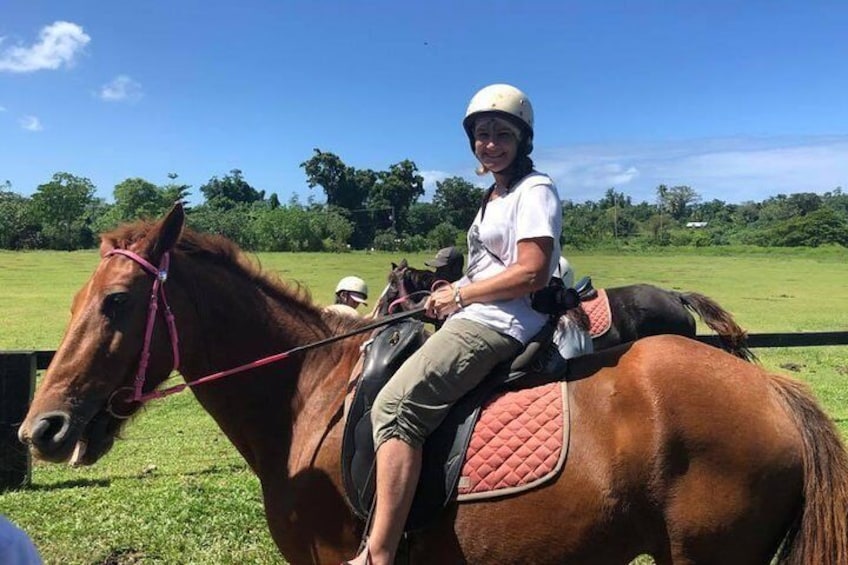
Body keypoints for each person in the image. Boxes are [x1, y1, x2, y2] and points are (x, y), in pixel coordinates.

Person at [343, 83, 562, 565]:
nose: (491, 143)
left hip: (502, 321)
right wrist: (446, 293)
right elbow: (489, 265)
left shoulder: (534, 190)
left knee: (396, 407)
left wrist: (461, 295)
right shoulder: (495, 195)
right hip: (477, 310)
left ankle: (378, 554)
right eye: (482, 134)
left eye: (502, 134)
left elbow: (532, 270)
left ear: (523, 140)